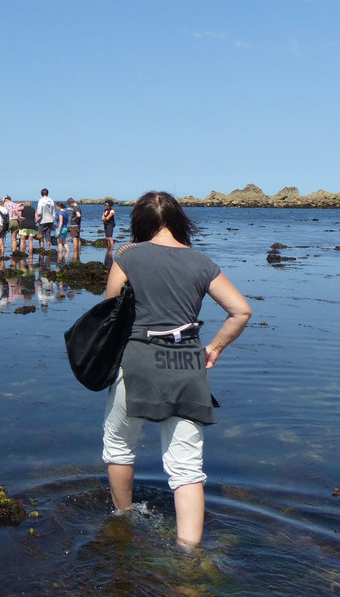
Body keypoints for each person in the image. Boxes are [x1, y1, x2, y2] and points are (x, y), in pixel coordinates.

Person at [100, 191, 252, 549]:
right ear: (180, 221)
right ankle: (189, 554)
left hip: (136, 361)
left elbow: (109, 312)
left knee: (120, 447)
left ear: (140, 224)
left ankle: (123, 523)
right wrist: (213, 348)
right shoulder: (201, 262)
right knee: (186, 468)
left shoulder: (129, 256)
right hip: (187, 365)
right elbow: (241, 311)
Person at [36, 188, 56, 254]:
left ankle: (42, 249)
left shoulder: (41, 201)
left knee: (40, 235)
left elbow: (39, 211)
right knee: (48, 235)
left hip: (43, 220)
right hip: (50, 220)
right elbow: (53, 212)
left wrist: (37, 218)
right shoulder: (51, 201)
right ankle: (48, 249)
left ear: (41, 194)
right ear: (47, 193)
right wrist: (53, 221)